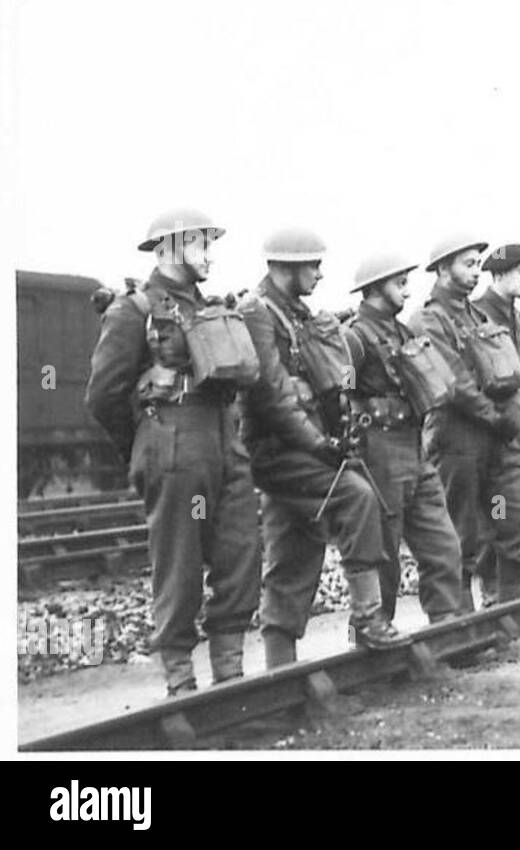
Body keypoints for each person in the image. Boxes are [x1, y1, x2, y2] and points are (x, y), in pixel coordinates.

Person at [86, 208, 261, 696]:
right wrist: (145, 444)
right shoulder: (134, 310)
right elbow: (102, 395)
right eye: (200, 243)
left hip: (223, 437)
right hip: (173, 438)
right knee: (180, 562)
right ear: (169, 248)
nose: (209, 254)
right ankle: (181, 682)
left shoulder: (209, 305)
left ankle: (230, 676)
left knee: (240, 551)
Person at [239, 228, 410, 667]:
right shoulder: (258, 313)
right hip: (280, 451)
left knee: (294, 553)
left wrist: (335, 434)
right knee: (357, 497)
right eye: (311, 265)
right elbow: (273, 396)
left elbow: (320, 384)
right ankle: (370, 617)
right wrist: (320, 445)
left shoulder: (295, 314)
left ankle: (283, 674)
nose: (318, 273)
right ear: (284, 266)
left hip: (299, 450)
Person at [410, 238, 520, 605]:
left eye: (477, 263)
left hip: (495, 436)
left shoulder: (475, 315)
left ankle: (507, 605)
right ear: (441, 269)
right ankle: (466, 620)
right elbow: (454, 381)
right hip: (458, 439)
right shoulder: (428, 319)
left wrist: (503, 418)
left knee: (513, 518)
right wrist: (494, 417)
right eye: (467, 264)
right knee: (464, 530)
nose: (475, 271)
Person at [341, 253, 464, 626]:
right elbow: (339, 394)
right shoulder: (355, 336)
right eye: (400, 283)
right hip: (378, 449)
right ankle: (377, 631)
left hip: (413, 444)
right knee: (383, 549)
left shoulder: (402, 332)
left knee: (442, 543)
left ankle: (445, 624)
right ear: (377, 287)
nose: (407, 291)